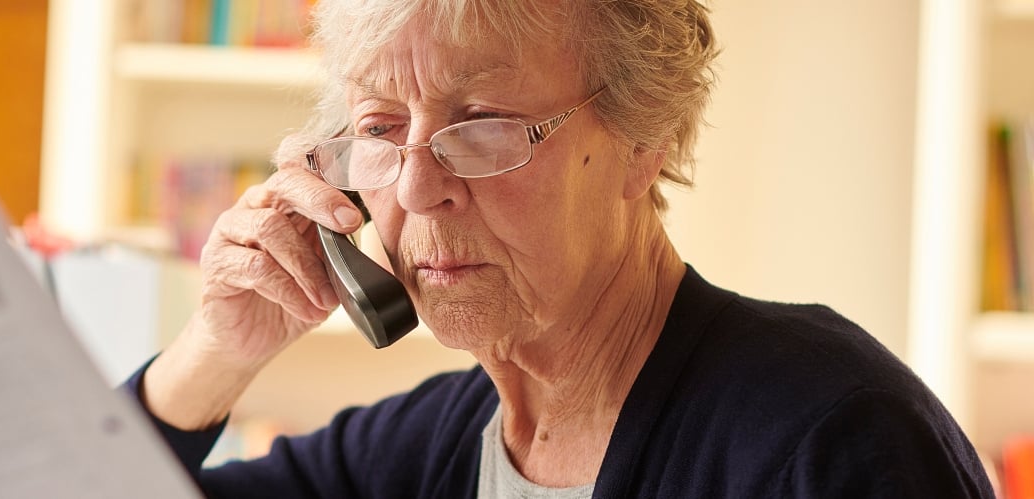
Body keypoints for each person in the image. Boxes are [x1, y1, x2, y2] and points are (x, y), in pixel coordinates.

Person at [121, 0, 995, 497]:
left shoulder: (827, 434)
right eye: (381, 130)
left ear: (643, 141)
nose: (419, 187)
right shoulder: (417, 453)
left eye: (485, 126)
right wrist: (212, 354)